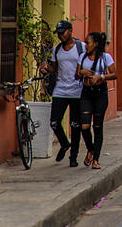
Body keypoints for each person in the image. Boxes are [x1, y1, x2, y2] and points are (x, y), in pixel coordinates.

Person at [42, 20, 85, 167]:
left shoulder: (81, 47)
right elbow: (55, 69)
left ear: (70, 30)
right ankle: (65, 143)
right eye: (59, 34)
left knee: (75, 125)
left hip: (77, 91)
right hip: (60, 90)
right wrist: (47, 68)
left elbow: (89, 63)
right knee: (54, 122)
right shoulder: (57, 49)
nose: (60, 36)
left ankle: (74, 157)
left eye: (63, 32)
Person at [76, 31, 116, 170]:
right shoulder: (82, 57)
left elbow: (114, 74)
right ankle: (91, 149)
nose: (86, 45)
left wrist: (101, 77)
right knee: (85, 126)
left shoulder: (105, 57)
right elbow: (76, 75)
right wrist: (82, 72)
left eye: (88, 42)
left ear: (96, 44)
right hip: (86, 93)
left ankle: (96, 159)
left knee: (97, 127)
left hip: (100, 94)